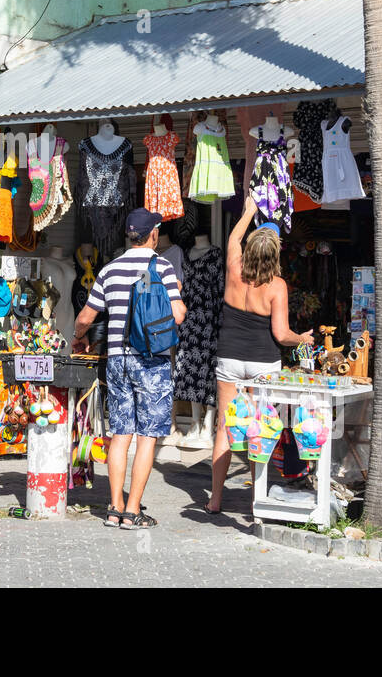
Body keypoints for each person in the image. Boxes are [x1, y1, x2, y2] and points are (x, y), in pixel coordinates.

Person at [73, 208, 186, 529]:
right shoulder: (162, 266)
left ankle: (113, 507)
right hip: (151, 359)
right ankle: (132, 511)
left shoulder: (109, 270)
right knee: (148, 437)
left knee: (120, 434)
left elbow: (85, 317)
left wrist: (78, 339)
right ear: (153, 234)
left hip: (118, 361)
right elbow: (178, 315)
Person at [206, 195, 314, 514]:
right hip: (262, 363)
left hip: (228, 358)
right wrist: (302, 338)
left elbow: (233, 238)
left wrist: (249, 210)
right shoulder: (277, 285)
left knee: (225, 428)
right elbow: (281, 334)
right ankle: (256, 499)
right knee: (258, 429)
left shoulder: (234, 269)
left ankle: (214, 499)